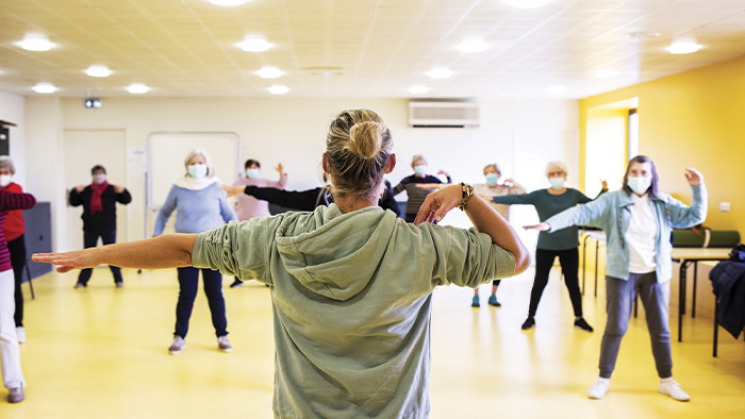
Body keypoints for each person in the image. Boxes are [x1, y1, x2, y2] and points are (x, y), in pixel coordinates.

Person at [34, 109, 530, 417]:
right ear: (391, 168)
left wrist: (94, 255)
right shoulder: (424, 246)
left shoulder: (277, 239)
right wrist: (466, 194)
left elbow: (183, 247)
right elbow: (516, 257)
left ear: (325, 165)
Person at [525, 156, 706, 402]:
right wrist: (549, 224)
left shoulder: (663, 203)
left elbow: (694, 217)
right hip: (622, 274)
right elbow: (581, 212)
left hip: (656, 275)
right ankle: (603, 379)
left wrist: (698, 187)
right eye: (634, 171)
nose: (639, 176)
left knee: (660, 329)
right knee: (616, 327)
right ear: (627, 174)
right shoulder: (613, 201)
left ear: (651, 176)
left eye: (644, 172)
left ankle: (667, 380)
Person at [489, 161, 606, 332]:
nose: (556, 176)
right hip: (546, 246)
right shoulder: (540, 196)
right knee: (540, 282)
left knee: (573, 283)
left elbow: (592, 205)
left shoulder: (573, 194)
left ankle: (579, 318)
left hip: (569, 245)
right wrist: (492, 198)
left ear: (565, 175)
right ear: (548, 176)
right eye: (553, 174)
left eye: (559, 173)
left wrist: (604, 190)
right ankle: (531, 317)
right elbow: (517, 199)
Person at [153, 148, 237, 355]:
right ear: (187, 166)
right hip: (185, 248)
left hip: (213, 246)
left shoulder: (216, 186)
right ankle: (179, 337)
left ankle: (222, 335)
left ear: (207, 165)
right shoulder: (179, 187)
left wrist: (238, 239)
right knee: (187, 293)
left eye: (201, 162)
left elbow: (229, 215)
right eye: (193, 163)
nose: (197, 166)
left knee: (214, 293)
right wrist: (156, 234)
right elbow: (164, 212)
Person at [471, 163, 526, 308]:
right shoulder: (478, 187)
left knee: (499, 264)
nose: (490, 175)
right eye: (487, 172)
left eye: (493, 172)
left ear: (499, 174)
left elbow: (523, 193)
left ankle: (493, 295)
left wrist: (513, 182)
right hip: (481, 230)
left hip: (502, 232)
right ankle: (475, 295)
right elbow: (462, 192)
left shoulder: (506, 190)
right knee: (477, 263)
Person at [0, 185, 36, 403]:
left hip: (0, 268)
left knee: (4, 327)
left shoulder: (2, 196)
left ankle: (14, 383)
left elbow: (29, 200)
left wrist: (4, 193)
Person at [69, 165, 132, 288]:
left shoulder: (112, 189)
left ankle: (118, 280)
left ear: (105, 175)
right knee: (88, 255)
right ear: (92, 176)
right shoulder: (86, 190)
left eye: (101, 173)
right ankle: (82, 281)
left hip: (108, 227)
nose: (98, 176)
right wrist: (74, 191)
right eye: (96, 173)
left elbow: (126, 200)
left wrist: (124, 191)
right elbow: (74, 202)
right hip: (90, 227)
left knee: (112, 254)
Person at [228, 159, 287, 288]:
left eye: (255, 167)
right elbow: (229, 193)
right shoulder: (239, 183)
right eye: (250, 167)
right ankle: (239, 278)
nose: (252, 170)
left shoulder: (263, 182)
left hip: (262, 222)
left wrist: (282, 173)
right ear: (246, 169)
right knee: (240, 252)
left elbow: (281, 185)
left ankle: (267, 279)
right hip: (243, 221)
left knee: (264, 252)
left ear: (259, 169)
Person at [221, 179, 401, 216]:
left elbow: (394, 216)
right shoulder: (320, 196)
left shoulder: (375, 193)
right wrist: (246, 188)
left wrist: (382, 189)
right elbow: (283, 197)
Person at [0, 157, 29, 344]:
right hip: (1, 243)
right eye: (0, 172)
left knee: (15, 284)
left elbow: (29, 201)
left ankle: (18, 324)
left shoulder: (15, 190)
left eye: (5, 172)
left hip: (15, 241)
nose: (3, 176)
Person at [392, 154, 451, 222]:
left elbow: (448, 188)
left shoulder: (432, 180)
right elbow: (393, 192)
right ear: (413, 167)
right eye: (417, 165)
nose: (420, 166)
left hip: (429, 214)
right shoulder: (408, 180)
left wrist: (447, 176)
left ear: (426, 165)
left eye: (422, 164)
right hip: (412, 215)